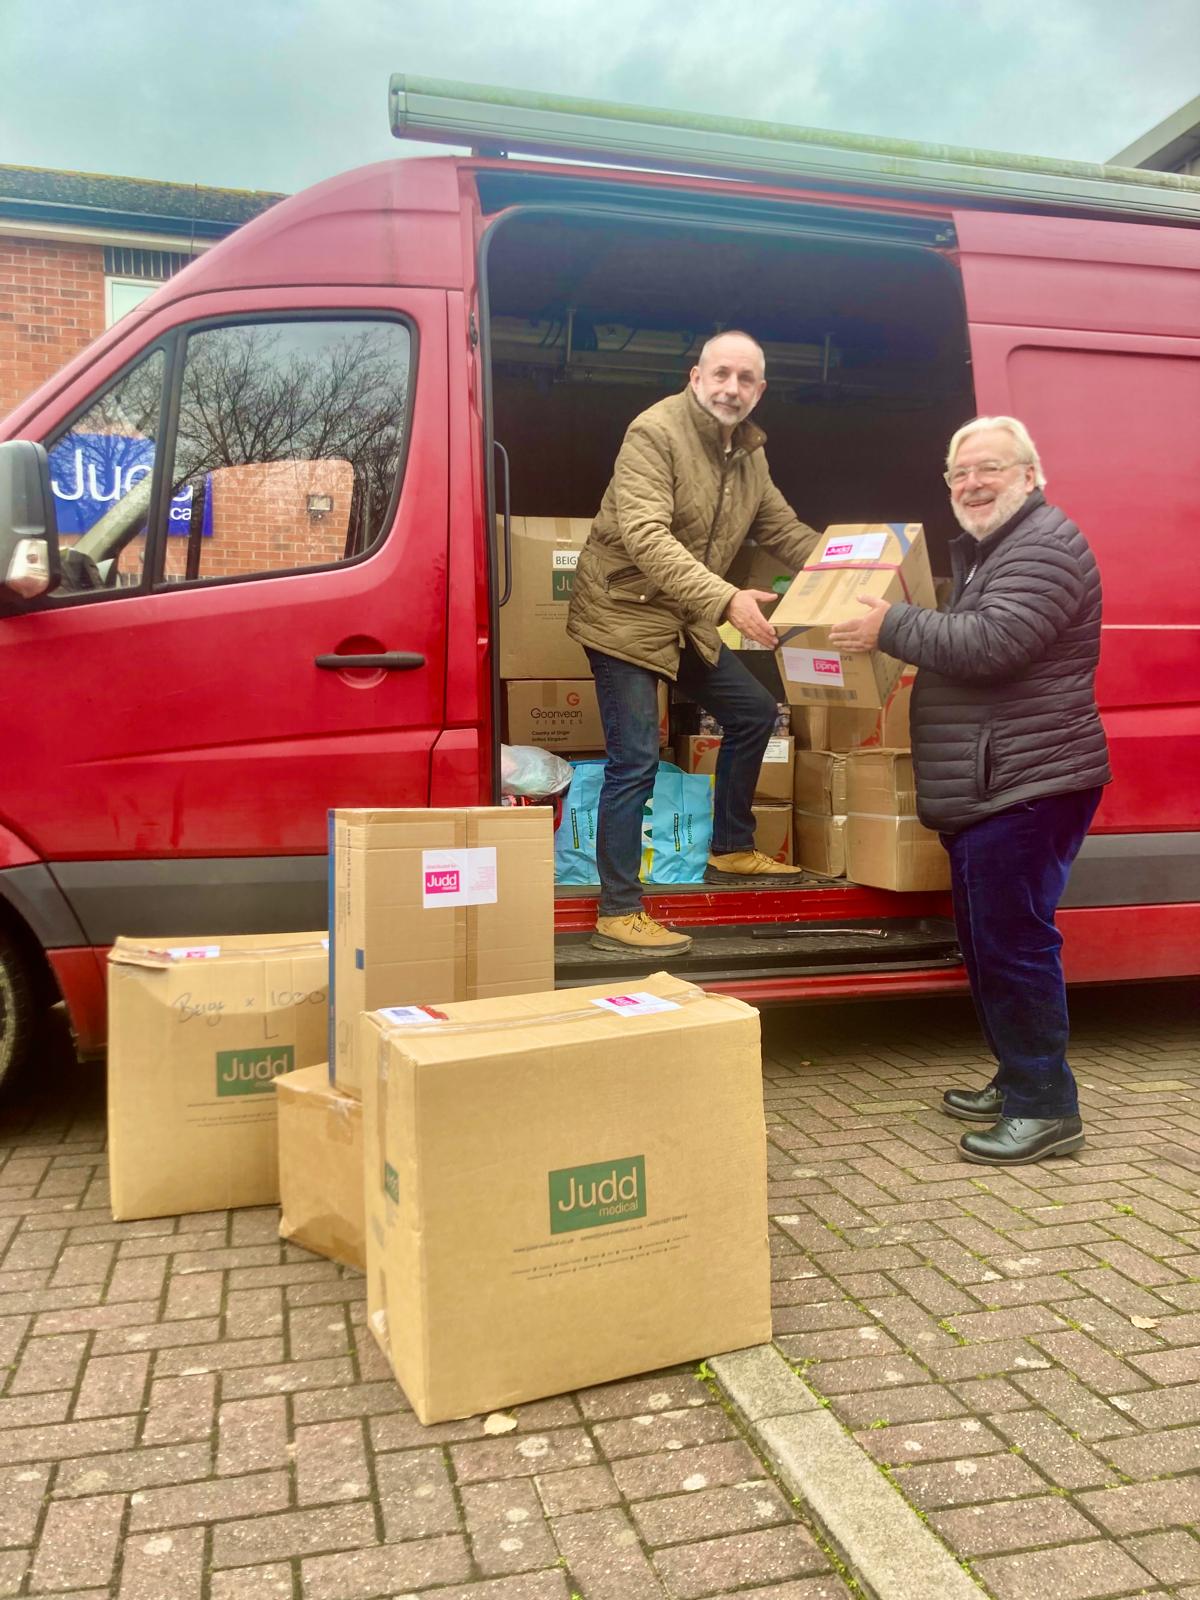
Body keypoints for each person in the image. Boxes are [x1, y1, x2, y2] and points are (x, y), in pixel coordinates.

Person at [829, 416, 1110, 1167]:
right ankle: (1019, 1076)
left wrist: (891, 624)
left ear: (1031, 475)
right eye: (959, 472)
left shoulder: (1044, 546)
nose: (973, 483)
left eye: (990, 468)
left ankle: (1046, 1107)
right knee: (988, 943)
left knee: (1014, 945)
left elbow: (992, 644)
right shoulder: (998, 550)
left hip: (1027, 782)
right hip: (998, 779)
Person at [566, 330, 819, 954]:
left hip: (682, 615)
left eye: (745, 379)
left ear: (760, 389)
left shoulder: (749, 456)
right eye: (721, 374)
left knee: (753, 713)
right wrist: (727, 599)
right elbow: (646, 535)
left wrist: (859, 566)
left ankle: (730, 847)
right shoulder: (654, 432)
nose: (731, 388)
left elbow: (784, 531)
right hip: (622, 613)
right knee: (635, 759)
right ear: (695, 376)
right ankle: (618, 909)